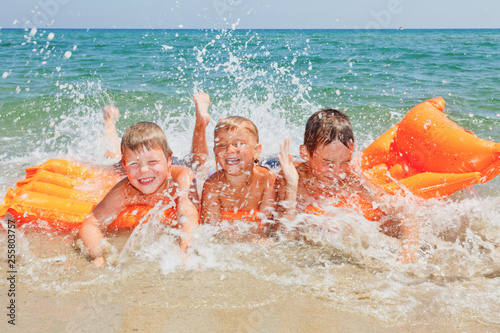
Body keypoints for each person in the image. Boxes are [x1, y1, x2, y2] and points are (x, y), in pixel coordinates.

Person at [277, 108, 419, 263]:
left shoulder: (350, 178)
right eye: (328, 162)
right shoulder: (292, 179)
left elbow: (405, 213)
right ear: (305, 153)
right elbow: (285, 239)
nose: (337, 171)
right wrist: (291, 187)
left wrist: (409, 250)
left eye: (345, 162)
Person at [78, 122, 199, 266]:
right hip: (138, 166)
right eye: (134, 164)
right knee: (109, 166)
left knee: (198, 162)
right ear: (125, 165)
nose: (143, 170)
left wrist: (186, 248)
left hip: (177, 164)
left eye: (152, 161)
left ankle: (200, 124)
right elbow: (90, 224)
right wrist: (101, 254)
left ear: (168, 160)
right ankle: (109, 125)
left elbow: (188, 211)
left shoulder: (181, 178)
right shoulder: (127, 187)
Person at [190, 93, 276, 232]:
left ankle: (224, 125)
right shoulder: (212, 185)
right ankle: (201, 124)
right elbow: (211, 231)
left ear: (257, 151)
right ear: (216, 152)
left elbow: (267, 225)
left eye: (238, 144)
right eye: (222, 146)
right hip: (215, 170)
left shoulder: (266, 179)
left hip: (235, 164)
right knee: (199, 165)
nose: (230, 150)